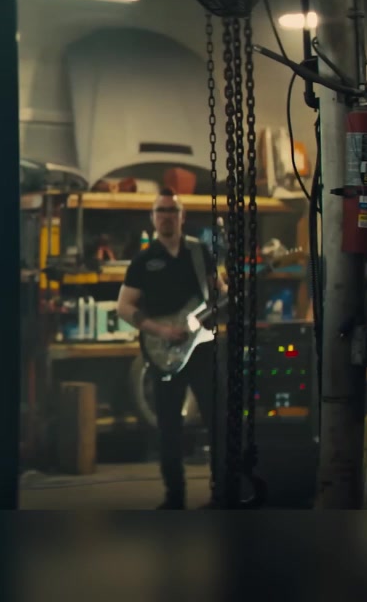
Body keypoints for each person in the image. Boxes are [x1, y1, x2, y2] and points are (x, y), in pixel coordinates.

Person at [116, 190, 225, 510]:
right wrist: (161, 330)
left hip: (201, 346)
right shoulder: (143, 260)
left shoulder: (199, 251)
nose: (166, 216)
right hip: (164, 350)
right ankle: (174, 498)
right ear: (153, 217)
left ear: (182, 216)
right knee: (168, 427)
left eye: (172, 211)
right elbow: (124, 307)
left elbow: (218, 290)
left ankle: (223, 493)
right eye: (160, 211)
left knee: (217, 420)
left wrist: (229, 295)